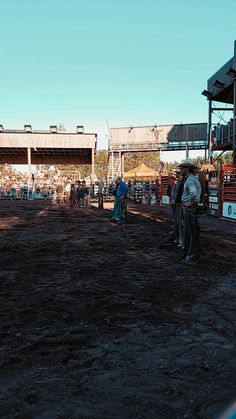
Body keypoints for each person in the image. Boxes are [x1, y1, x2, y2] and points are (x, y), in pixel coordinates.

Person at [179, 159, 201, 265]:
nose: (181, 169)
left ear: (187, 169)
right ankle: (190, 255)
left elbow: (193, 193)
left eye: (182, 168)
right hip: (191, 207)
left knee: (190, 232)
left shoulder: (189, 180)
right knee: (191, 231)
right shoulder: (192, 179)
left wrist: (189, 204)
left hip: (189, 208)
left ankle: (191, 257)